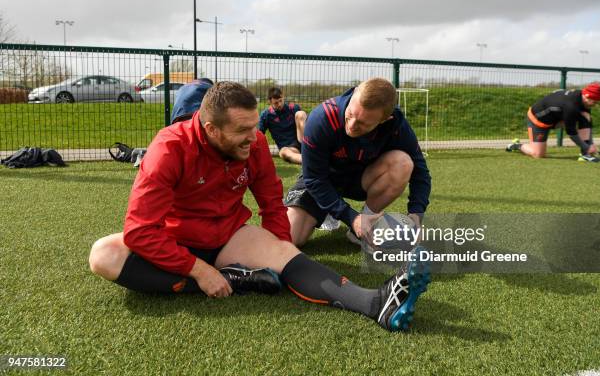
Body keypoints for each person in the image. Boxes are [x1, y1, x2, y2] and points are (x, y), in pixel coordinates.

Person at [88, 81, 431, 332]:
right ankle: (231, 279)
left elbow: (270, 201)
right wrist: (199, 271)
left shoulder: (253, 144)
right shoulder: (168, 149)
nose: (255, 138)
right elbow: (140, 231)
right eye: (243, 130)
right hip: (174, 242)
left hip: (228, 236)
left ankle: (376, 302)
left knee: (286, 253)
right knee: (102, 255)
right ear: (211, 129)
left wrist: (282, 247)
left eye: (256, 126)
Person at [285, 78, 432, 247]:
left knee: (403, 163)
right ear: (354, 94)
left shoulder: (397, 126)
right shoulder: (322, 118)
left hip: (360, 179)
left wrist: (416, 214)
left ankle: (363, 227)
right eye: (350, 114)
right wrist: (350, 216)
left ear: (384, 120)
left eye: (363, 123)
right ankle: (333, 212)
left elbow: (420, 172)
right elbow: (314, 179)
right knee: (288, 239)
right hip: (323, 179)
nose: (352, 125)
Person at [506, 83, 600, 161]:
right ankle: (516, 146)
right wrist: (586, 146)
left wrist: (590, 144)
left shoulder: (583, 101)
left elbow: (587, 123)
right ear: (586, 96)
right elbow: (571, 132)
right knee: (538, 154)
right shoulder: (571, 106)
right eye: (594, 102)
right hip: (538, 120)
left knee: (584, 117)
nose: (595, 105)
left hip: (557, 118)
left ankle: (585, 155)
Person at [258, 87, 307, 164]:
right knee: (283, 152)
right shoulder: (266, 115)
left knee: (300, 114)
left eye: (281, 101)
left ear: (283, 97)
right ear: (270, 102)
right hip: (290, 148)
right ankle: (308, 160)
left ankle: (311, 145)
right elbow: (259, 135)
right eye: (276, 103)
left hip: (302, 141)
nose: (280, 104)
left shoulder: (293, 108)